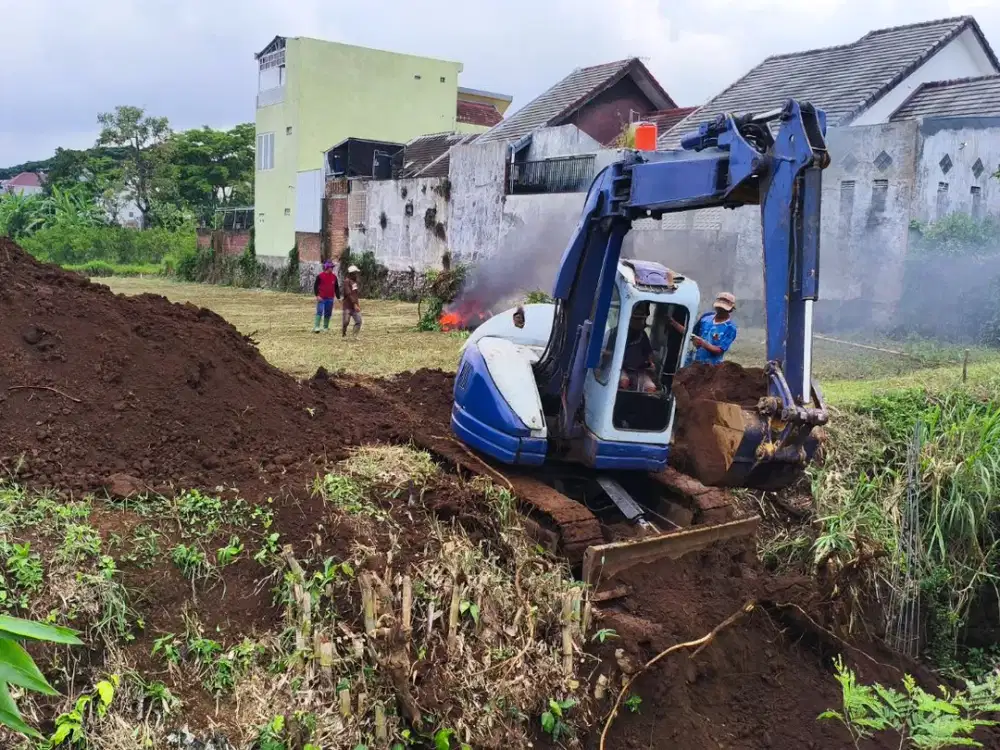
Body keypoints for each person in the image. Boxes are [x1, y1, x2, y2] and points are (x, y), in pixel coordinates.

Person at [673, 292, 738, 366]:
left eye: (723, 309)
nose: (720, 310)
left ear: (730, 310)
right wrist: (673, 323)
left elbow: (719, 350)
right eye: (719, 308)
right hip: (692, 362)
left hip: (710, 367)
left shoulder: (730, 328)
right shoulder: (706, 317)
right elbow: (691, 334)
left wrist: (703, 343)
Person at [619, 303, 658, 393]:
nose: (640, 322)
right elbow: (607, 352)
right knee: (624, 382)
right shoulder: (618, 332)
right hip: (620, 368)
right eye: (637, 319)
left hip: (639, 370)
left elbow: (649, 353)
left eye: (642, 319)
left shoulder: (642, 335)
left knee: (650, 388)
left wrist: (651, 363)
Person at [312, 260, 340, 333]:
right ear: (327, 267)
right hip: (321, 297)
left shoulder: (334, 277)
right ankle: (317, 327)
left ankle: (325, 327)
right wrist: (317, 295)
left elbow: (336, 287)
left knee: (328, 312)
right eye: (331, 267)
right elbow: (315, 286)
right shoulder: (320, 276)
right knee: (320, 311)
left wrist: (338, 296)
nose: (332, 268)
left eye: (332, 267)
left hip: (330, 298)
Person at [342, 264, 363, 337]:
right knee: (346, 321)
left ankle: (354, 336)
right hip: (348, 305)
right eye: (355, 273)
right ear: (352, 273)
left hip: (355, 306)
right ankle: (344, 331)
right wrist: (354, 303)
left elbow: (355, 294)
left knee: (359, 321)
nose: (357, 275)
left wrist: (357, 303)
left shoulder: (355, 282)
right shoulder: (346, 282)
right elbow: (349, 293)